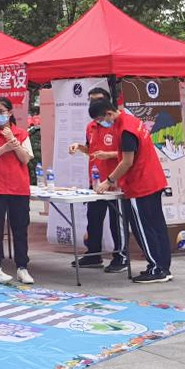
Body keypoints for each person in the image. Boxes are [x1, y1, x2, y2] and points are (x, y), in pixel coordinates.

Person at [88, 98, 172, 284]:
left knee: (145, 228)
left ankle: (157, 268)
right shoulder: (131, 121)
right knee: (157, 226)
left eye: (101, 120)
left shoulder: (125, 129)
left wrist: (108, 181)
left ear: (109, 114)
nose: (102, 124)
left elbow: (127, 161)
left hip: (142, 184)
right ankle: (163, 266)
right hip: (153, 180)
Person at [67, 87, 127, 273]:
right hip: (95, 180)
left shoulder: (117, 123)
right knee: (93, 218)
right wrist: (79, 147)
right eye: (91, 101)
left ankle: (121, 257)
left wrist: (108, 155)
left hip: (115, 180)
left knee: (116, 221)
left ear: (108, 102)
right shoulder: (91, 126)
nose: (95, 104)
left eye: (98, 100)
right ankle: (93, 254)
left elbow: (127, 154)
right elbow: (91, 150)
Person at [0, 98, 35, 285]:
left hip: (18, 188)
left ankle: (22, 267)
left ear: (10, 113)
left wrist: (13, 141)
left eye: (1, 111)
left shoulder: (21, 134)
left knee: (20, 230)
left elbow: (25, 159)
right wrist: (4, 148)